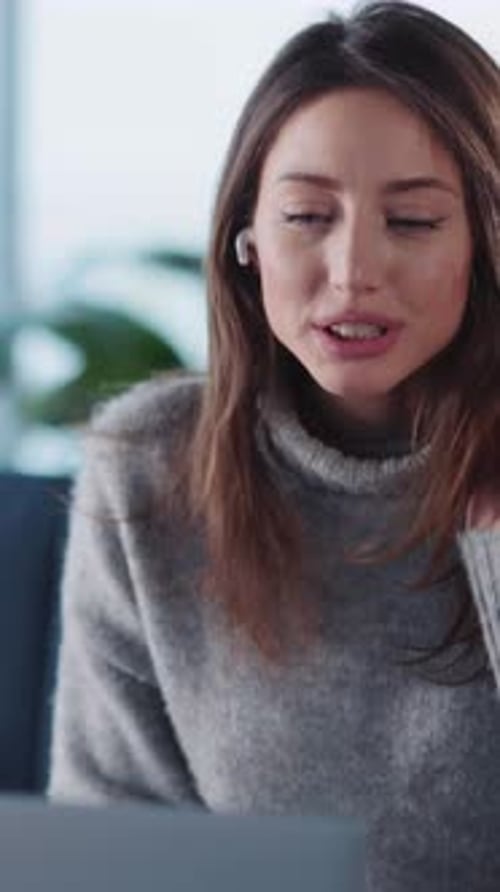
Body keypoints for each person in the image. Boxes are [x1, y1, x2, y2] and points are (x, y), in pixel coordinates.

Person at [49, 2, 500, 889]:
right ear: (246, 240)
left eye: (411, 222)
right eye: (306, 216)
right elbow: (107, 846)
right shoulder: (147, 471)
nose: (352, 270)